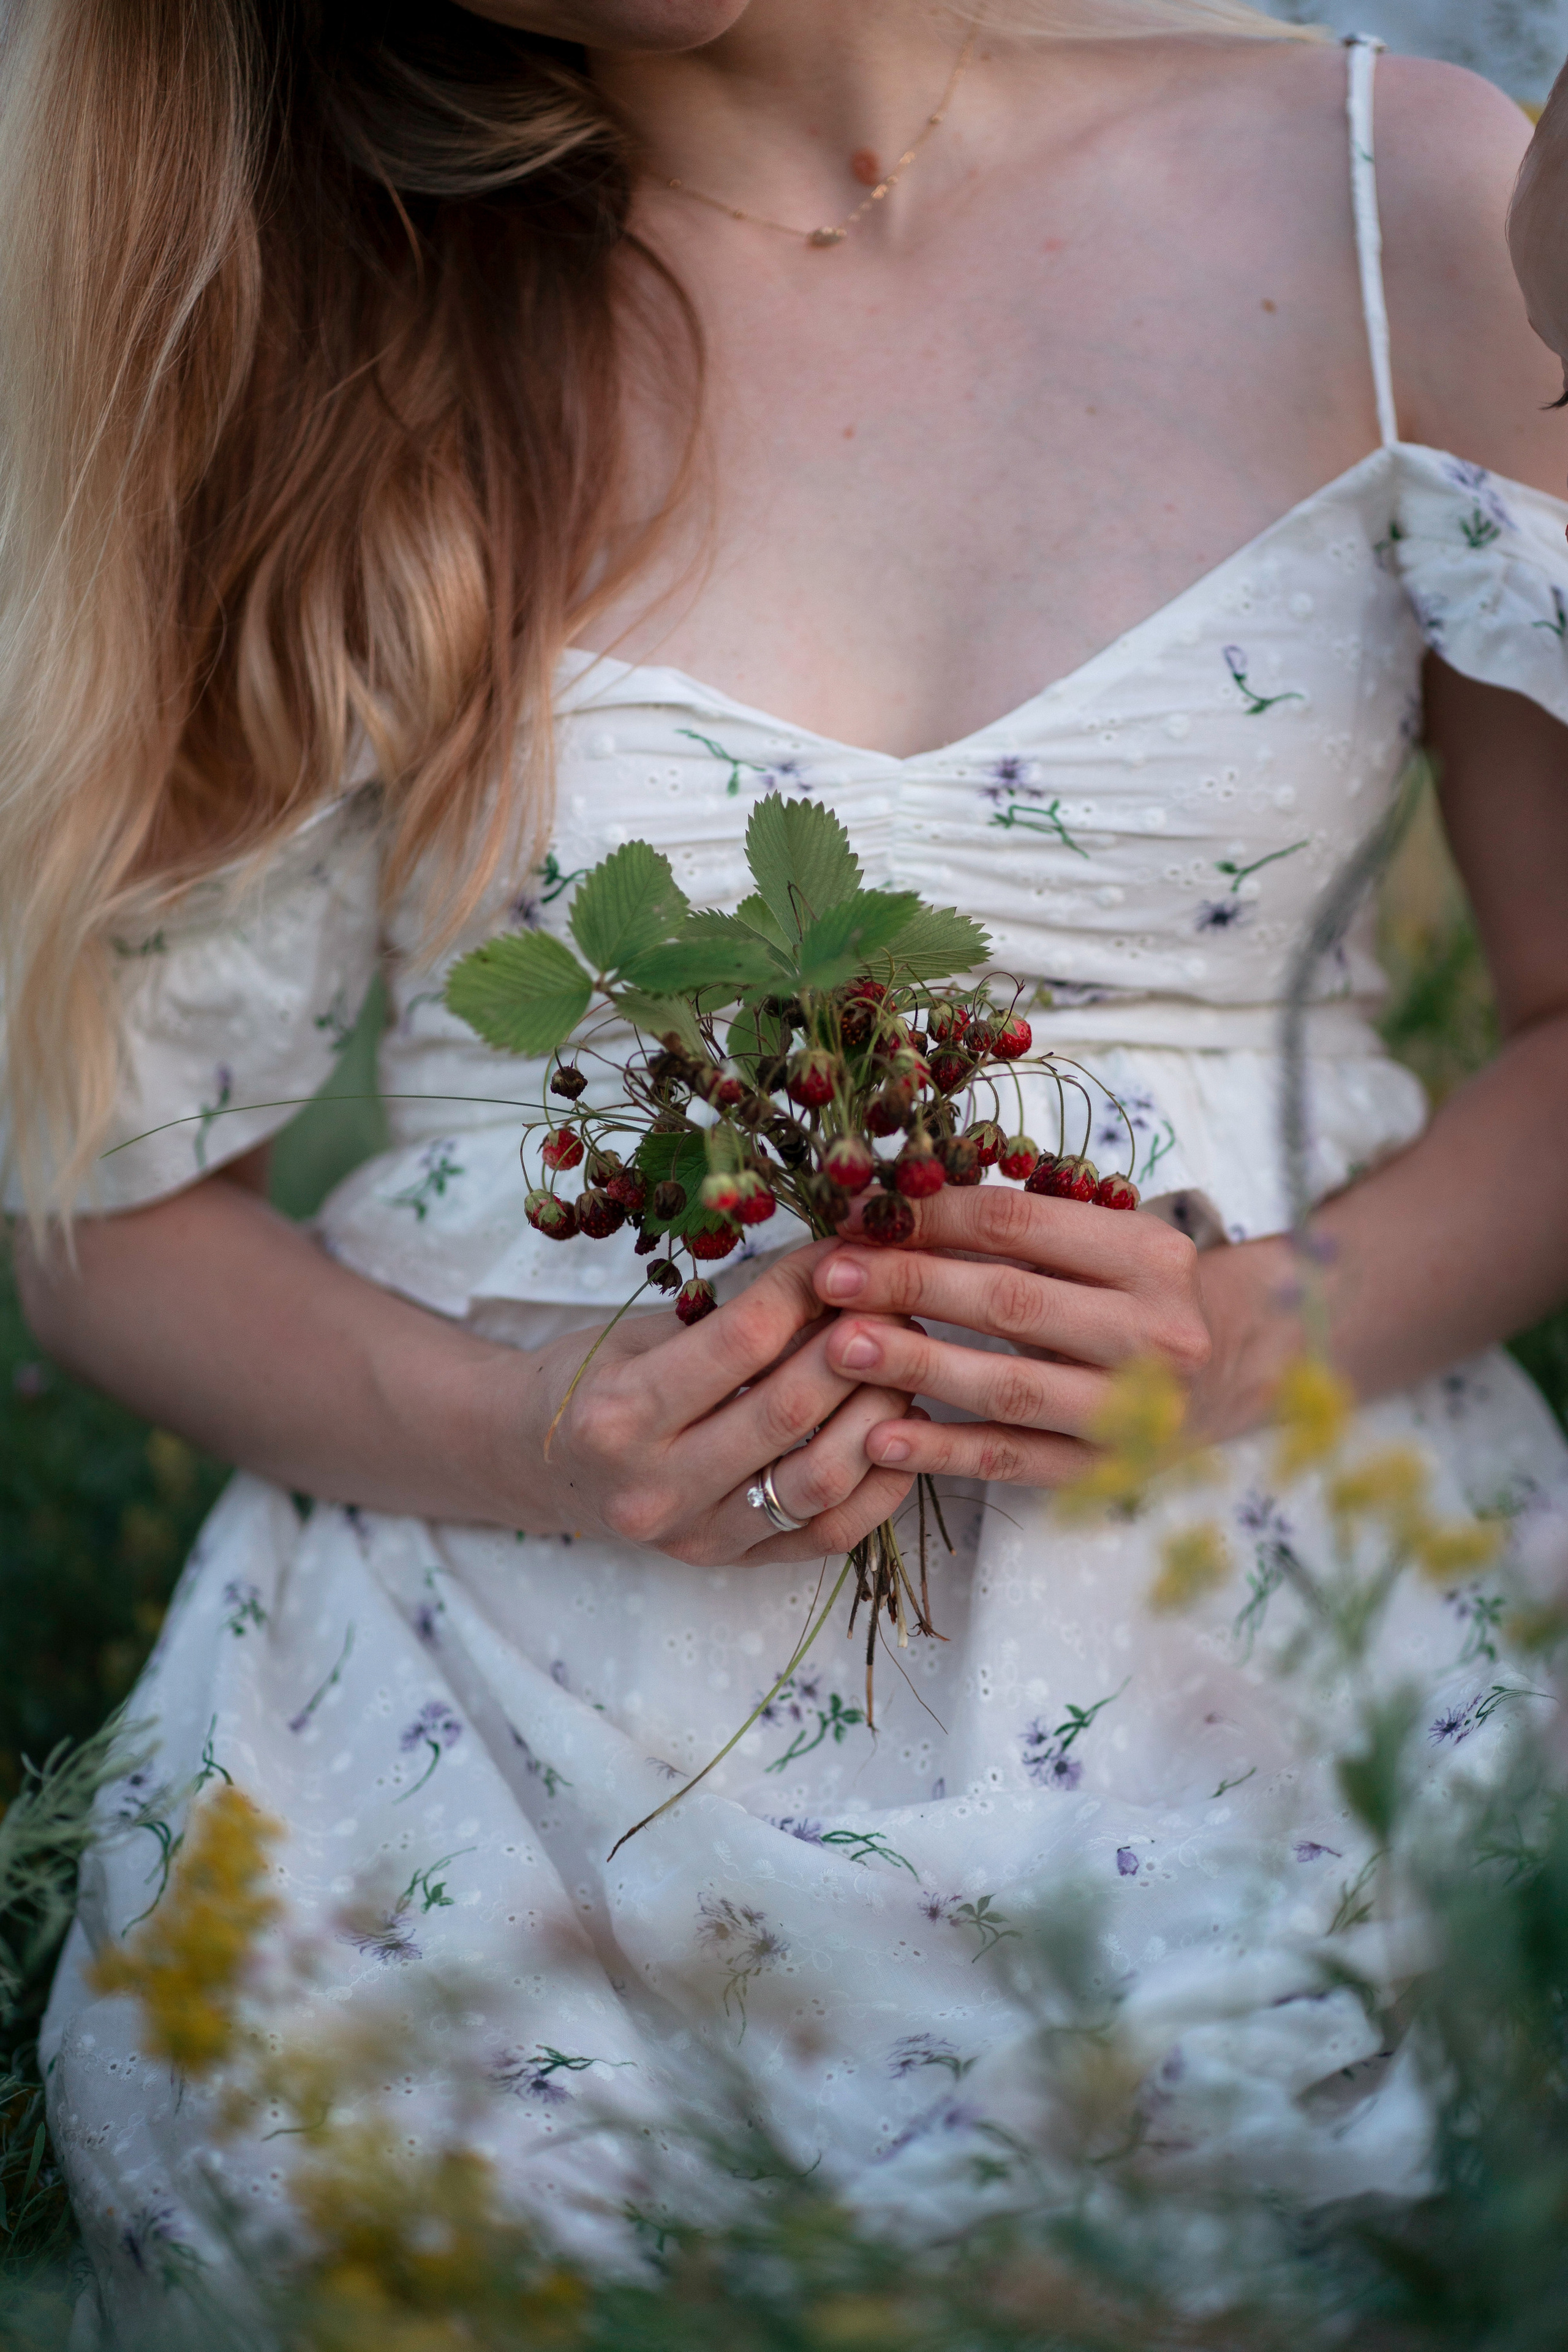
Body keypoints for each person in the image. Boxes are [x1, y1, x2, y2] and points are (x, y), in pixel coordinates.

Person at [5, 0, 1568, 2329]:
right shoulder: (328, 314)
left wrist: (1254, 1334)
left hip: (1289, 1654)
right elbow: (105, 1212)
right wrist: (538, 1436)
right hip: (501, 1761)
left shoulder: (1397, 199)